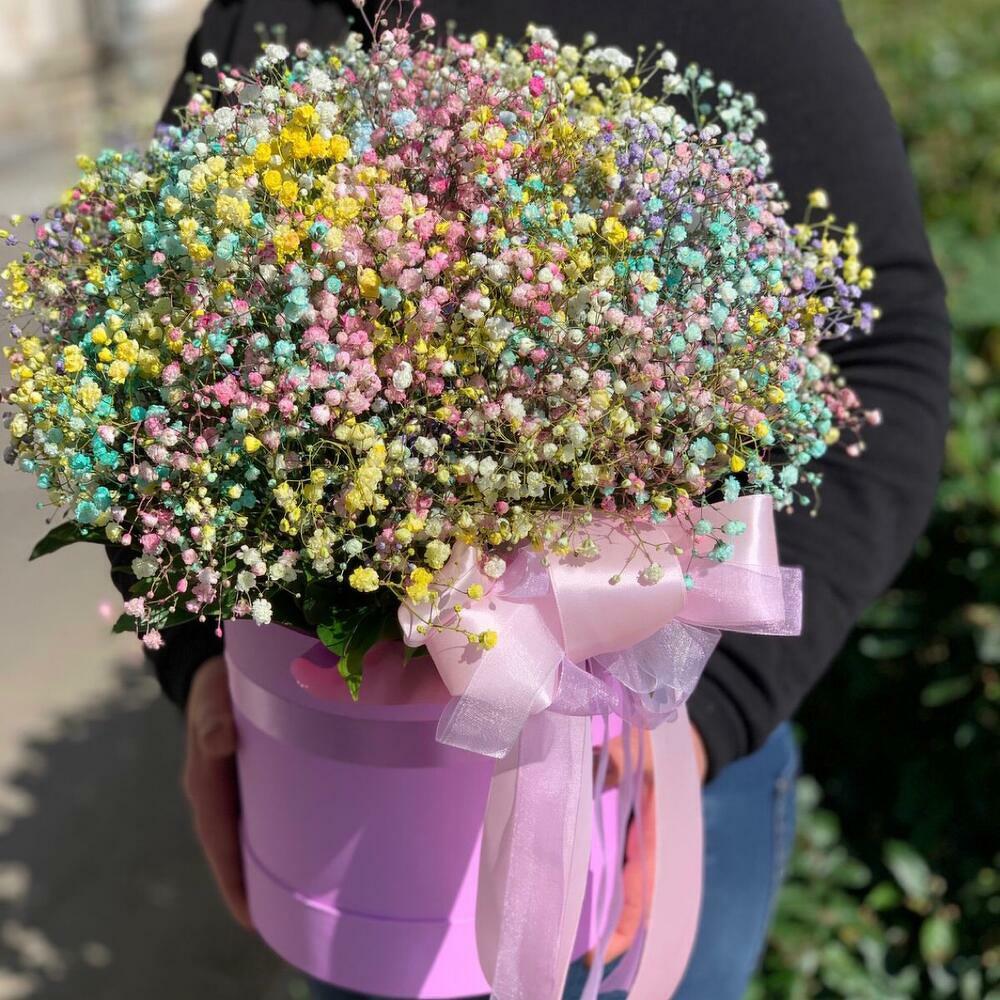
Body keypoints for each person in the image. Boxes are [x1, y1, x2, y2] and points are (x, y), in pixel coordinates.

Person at [109, 0, 951, 996]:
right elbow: (146, 351)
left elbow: (882, 355)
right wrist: (202, 665)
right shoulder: (275, 11)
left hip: (646, 762)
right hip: (329, 781)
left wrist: (715, 707)